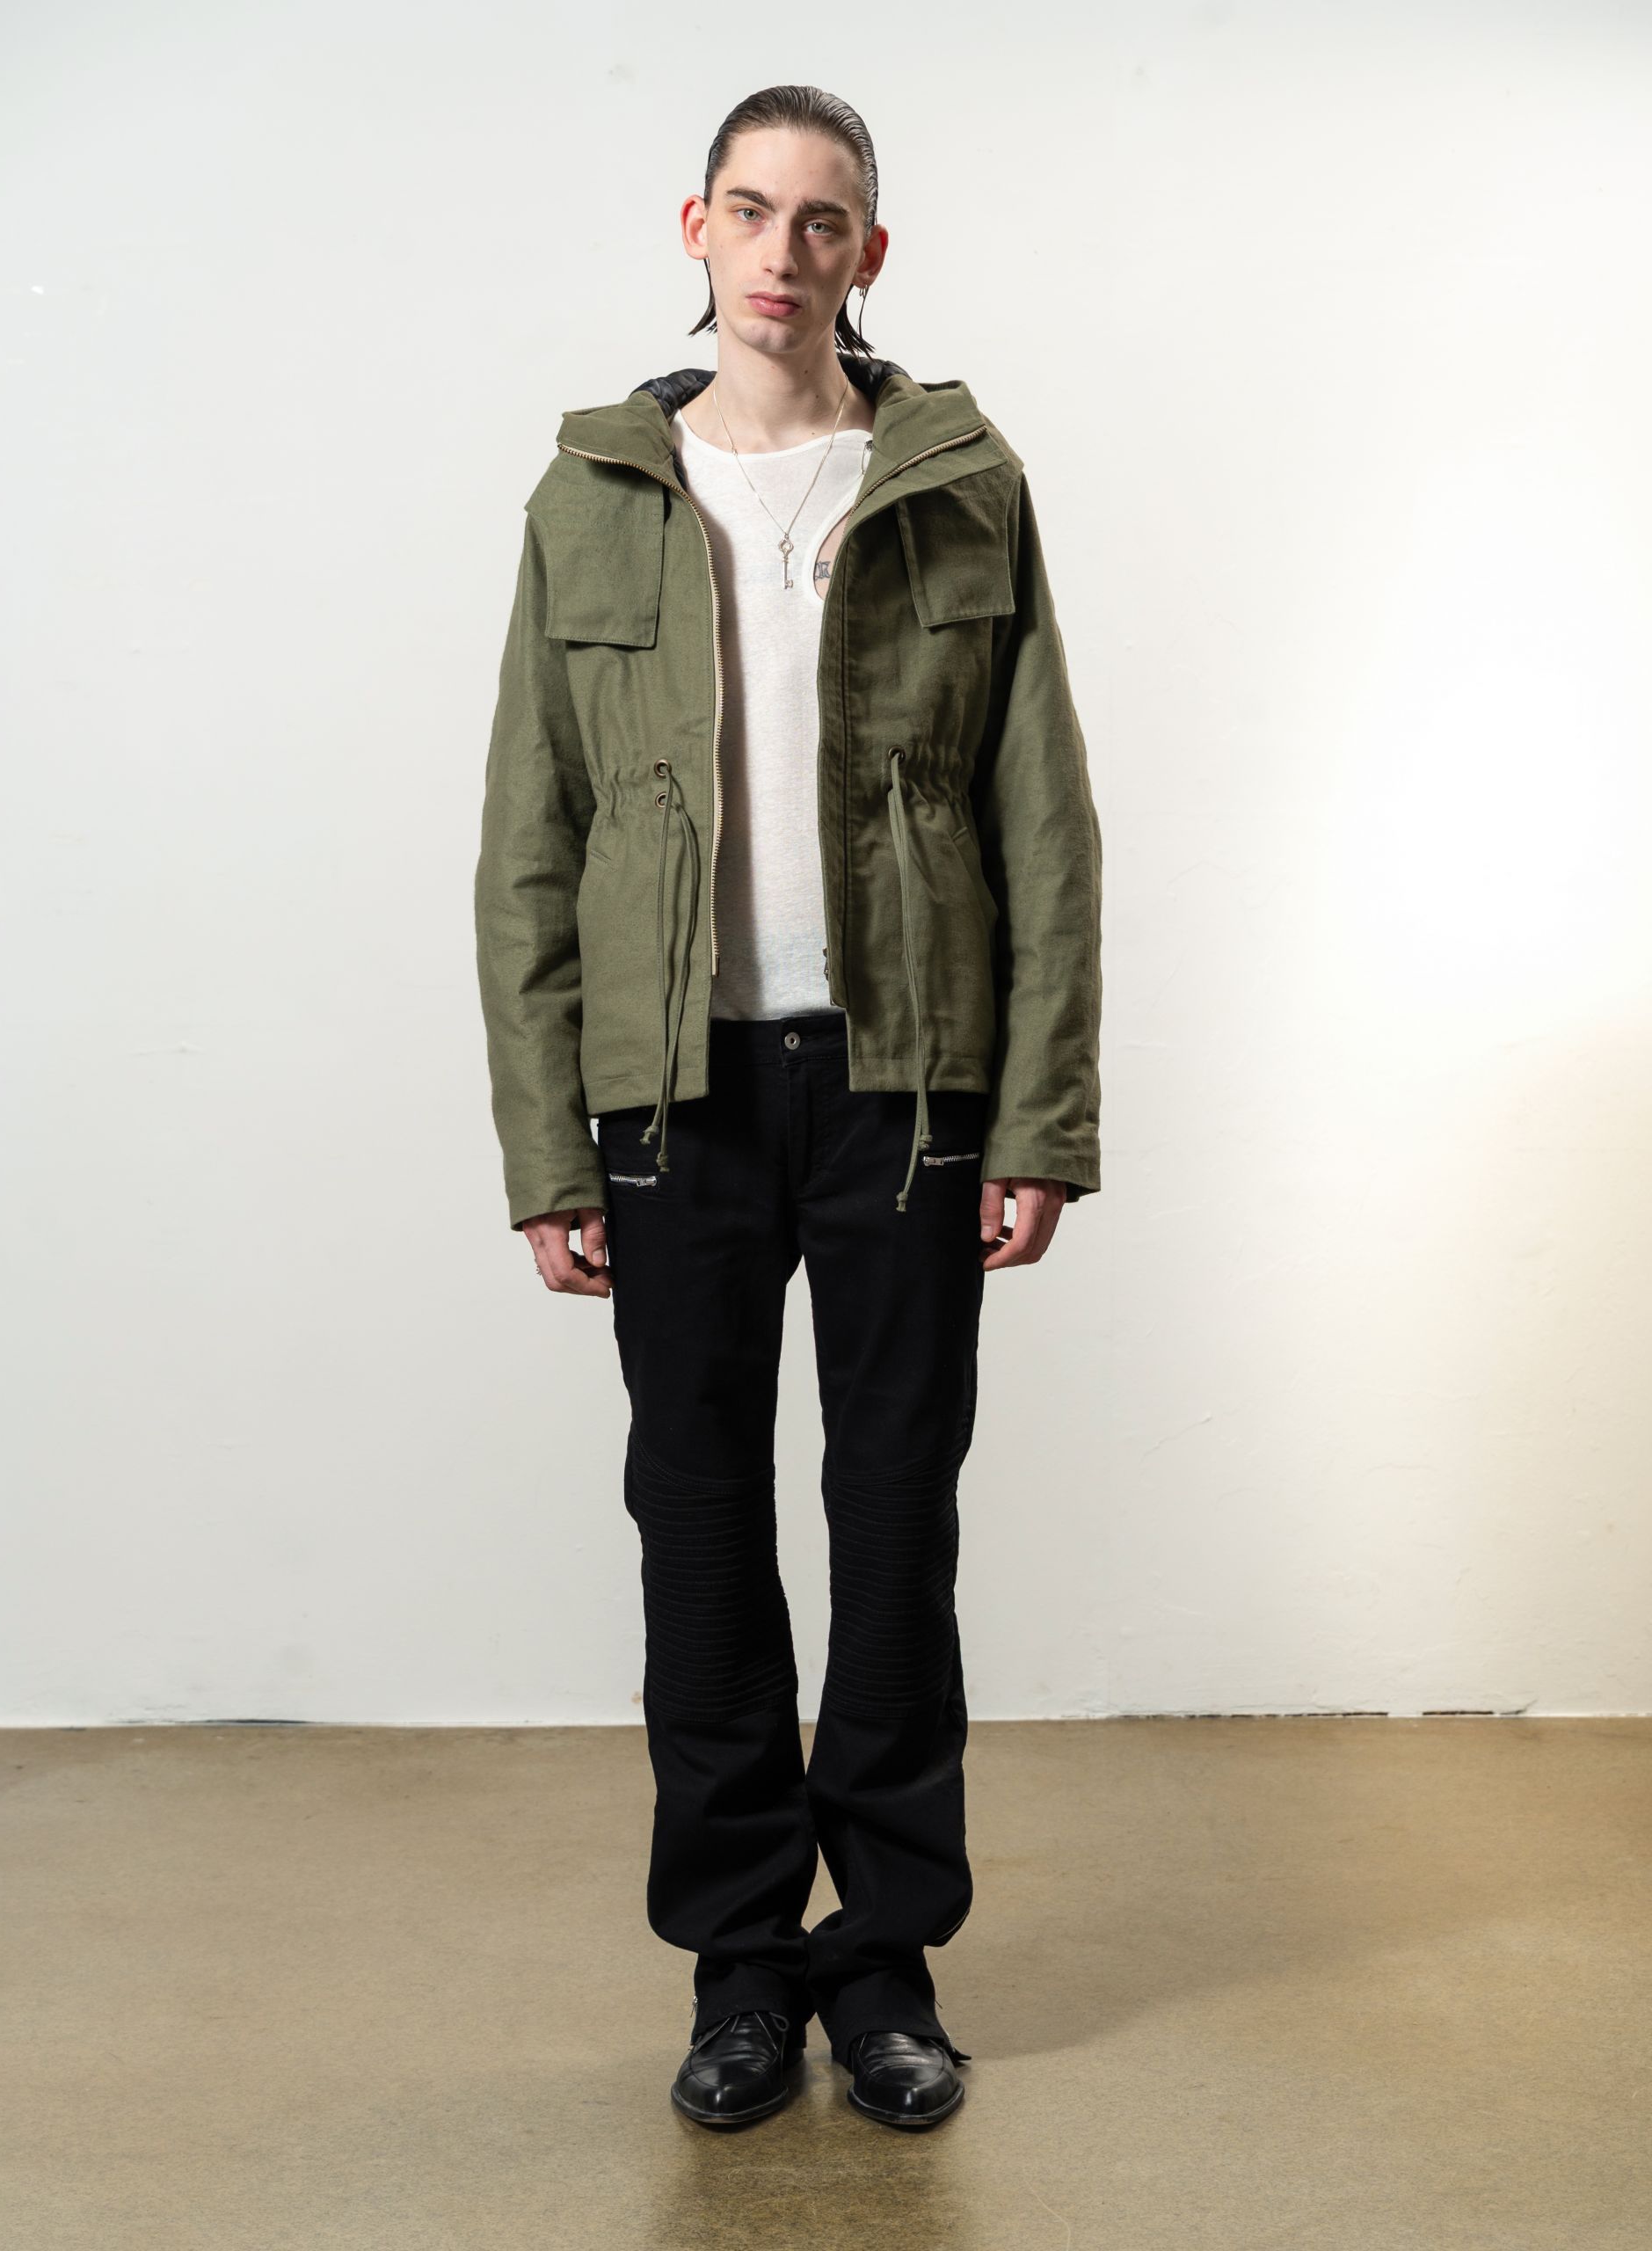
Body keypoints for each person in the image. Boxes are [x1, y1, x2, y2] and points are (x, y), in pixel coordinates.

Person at [473, 83, 1103, 2132]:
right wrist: (550, 1143)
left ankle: (887, 1961)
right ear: (697, 227)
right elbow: (531, 841)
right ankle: (742, 1962)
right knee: (702, 1525)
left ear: (868, 254)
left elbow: (1043, 816)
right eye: (750, 210)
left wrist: (1039, 1116)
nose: (782, 249)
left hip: (908, 1084)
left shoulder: (958, 482)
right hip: (680, 1100)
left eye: (823, 219)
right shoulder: (598, 490)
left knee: (895, 1515)